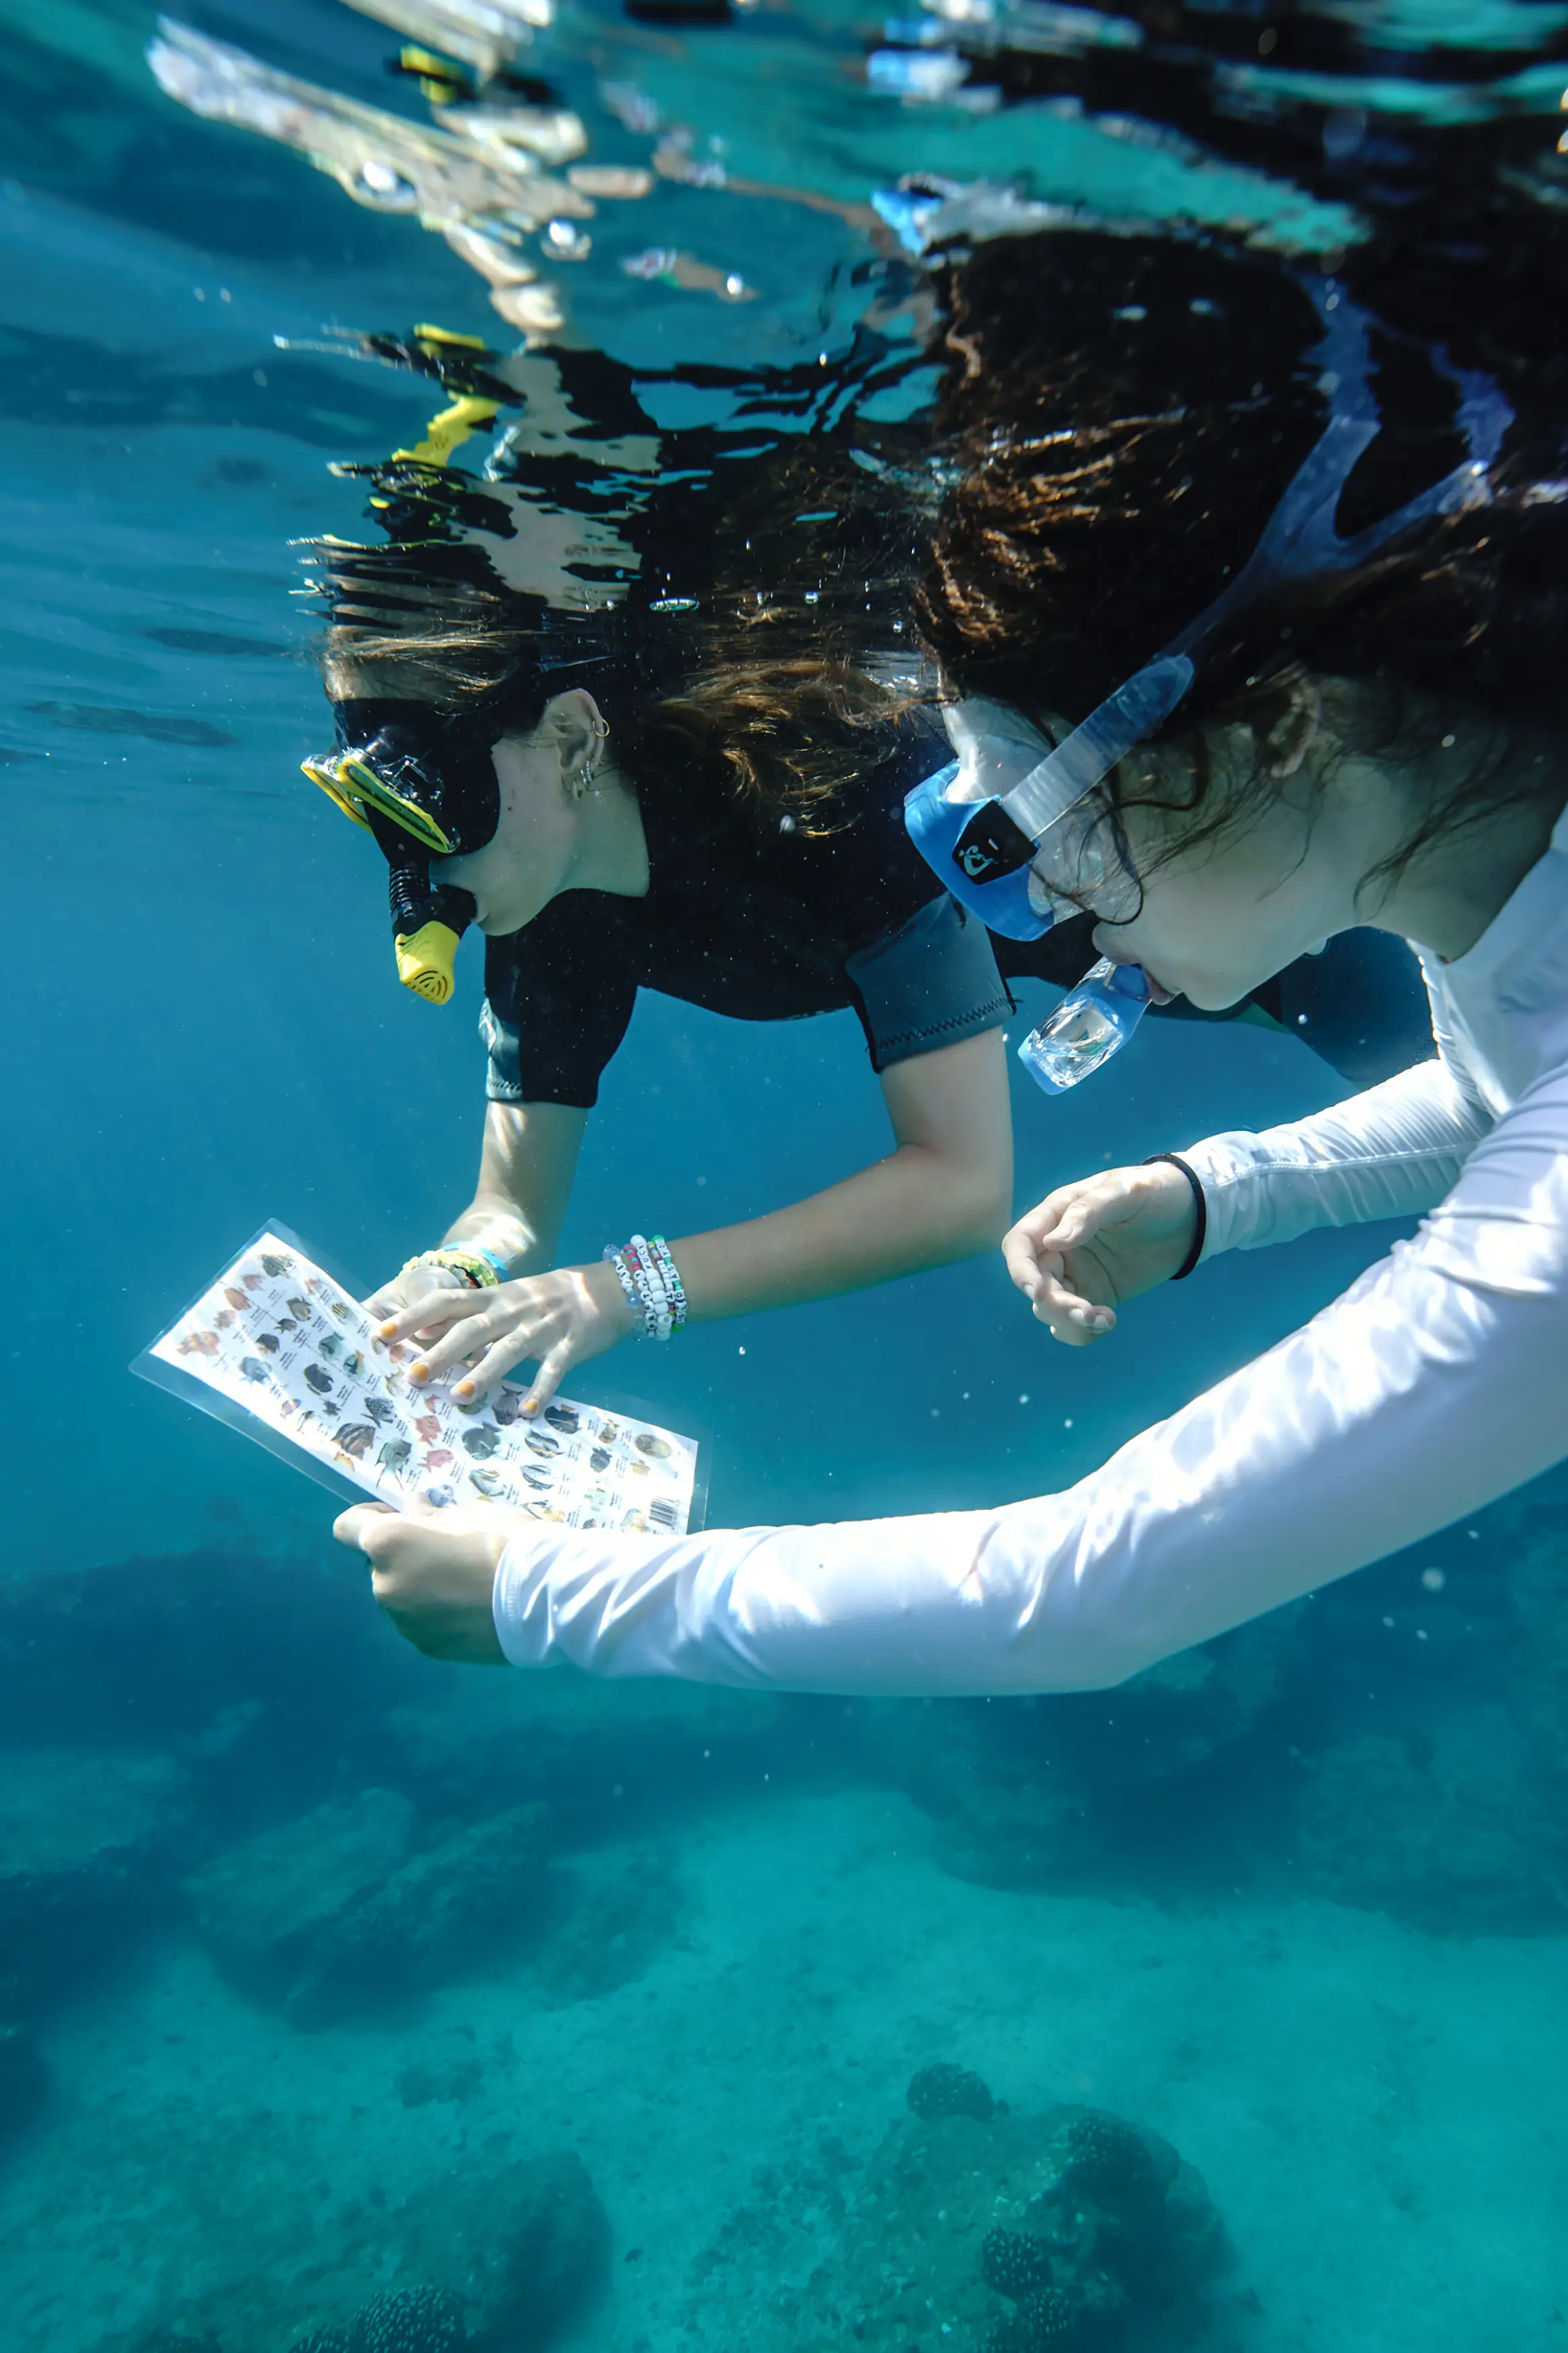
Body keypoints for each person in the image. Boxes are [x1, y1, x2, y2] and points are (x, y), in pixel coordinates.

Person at [333, 232, 1568, 1685]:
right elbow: (1500, 1100)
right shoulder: (1495, 890)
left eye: (1030, 822)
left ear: (1280, 731)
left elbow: (1085, 1593)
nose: (1029, 902)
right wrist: (1216, 1195)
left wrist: (547, 1595)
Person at [306, 313, 1430, 1419]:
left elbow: (961, 1185)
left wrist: (617, 1295)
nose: (417, 869)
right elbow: (509, 1214)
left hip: (1244, 927)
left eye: (434, 799)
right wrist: (457, 1275)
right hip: (1173, 956)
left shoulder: (824, 796)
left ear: (570, 737)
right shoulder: (537, 902)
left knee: (1472, 1071)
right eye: (381, 812)